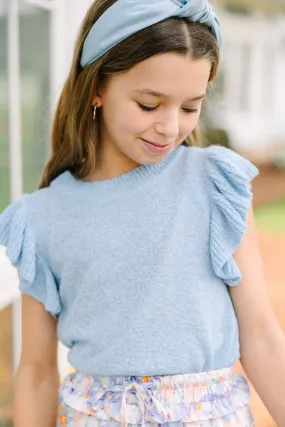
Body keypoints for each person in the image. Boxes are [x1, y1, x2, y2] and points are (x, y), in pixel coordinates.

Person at [0, 0, 285, 426]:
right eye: (150, 105)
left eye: (190, 107)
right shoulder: (42, 218)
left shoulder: (214, 183)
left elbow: (261, 336)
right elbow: (37, 373)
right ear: (97, 87)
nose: (171, 127)